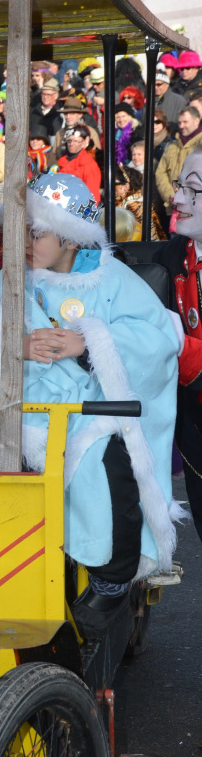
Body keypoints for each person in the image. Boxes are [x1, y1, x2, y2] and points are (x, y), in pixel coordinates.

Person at [0, 173, 181, 639]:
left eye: (36, 234)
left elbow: (158, 342)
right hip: (25, 409)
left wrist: (89, 343)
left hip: (95, 410)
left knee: (107, 466)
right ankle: (5, 577)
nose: (23, 244)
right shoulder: (12, 279)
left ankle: (112, 575)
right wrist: (16, 346)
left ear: (69, 237)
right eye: (18, 232)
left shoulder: (112, 278)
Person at [153, 149, 202, 542]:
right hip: (194, 433)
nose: (178, 197)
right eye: (181, 184)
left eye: (194, 189)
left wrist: (182, 349)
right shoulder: (169, 257)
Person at [156, 105, 202, 216]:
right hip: (174, 211)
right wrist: (171, 195)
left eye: (185, 122)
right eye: (179, 122)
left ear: (197, 120)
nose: (181, 126)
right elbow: (160, 173)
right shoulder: (172, 146)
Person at [57, 125, 101, 200]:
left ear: (85, 142)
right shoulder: (61, 163)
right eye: (69, 141)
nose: (71, 144)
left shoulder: (89, 165)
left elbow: (93, 195)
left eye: (76, 141)